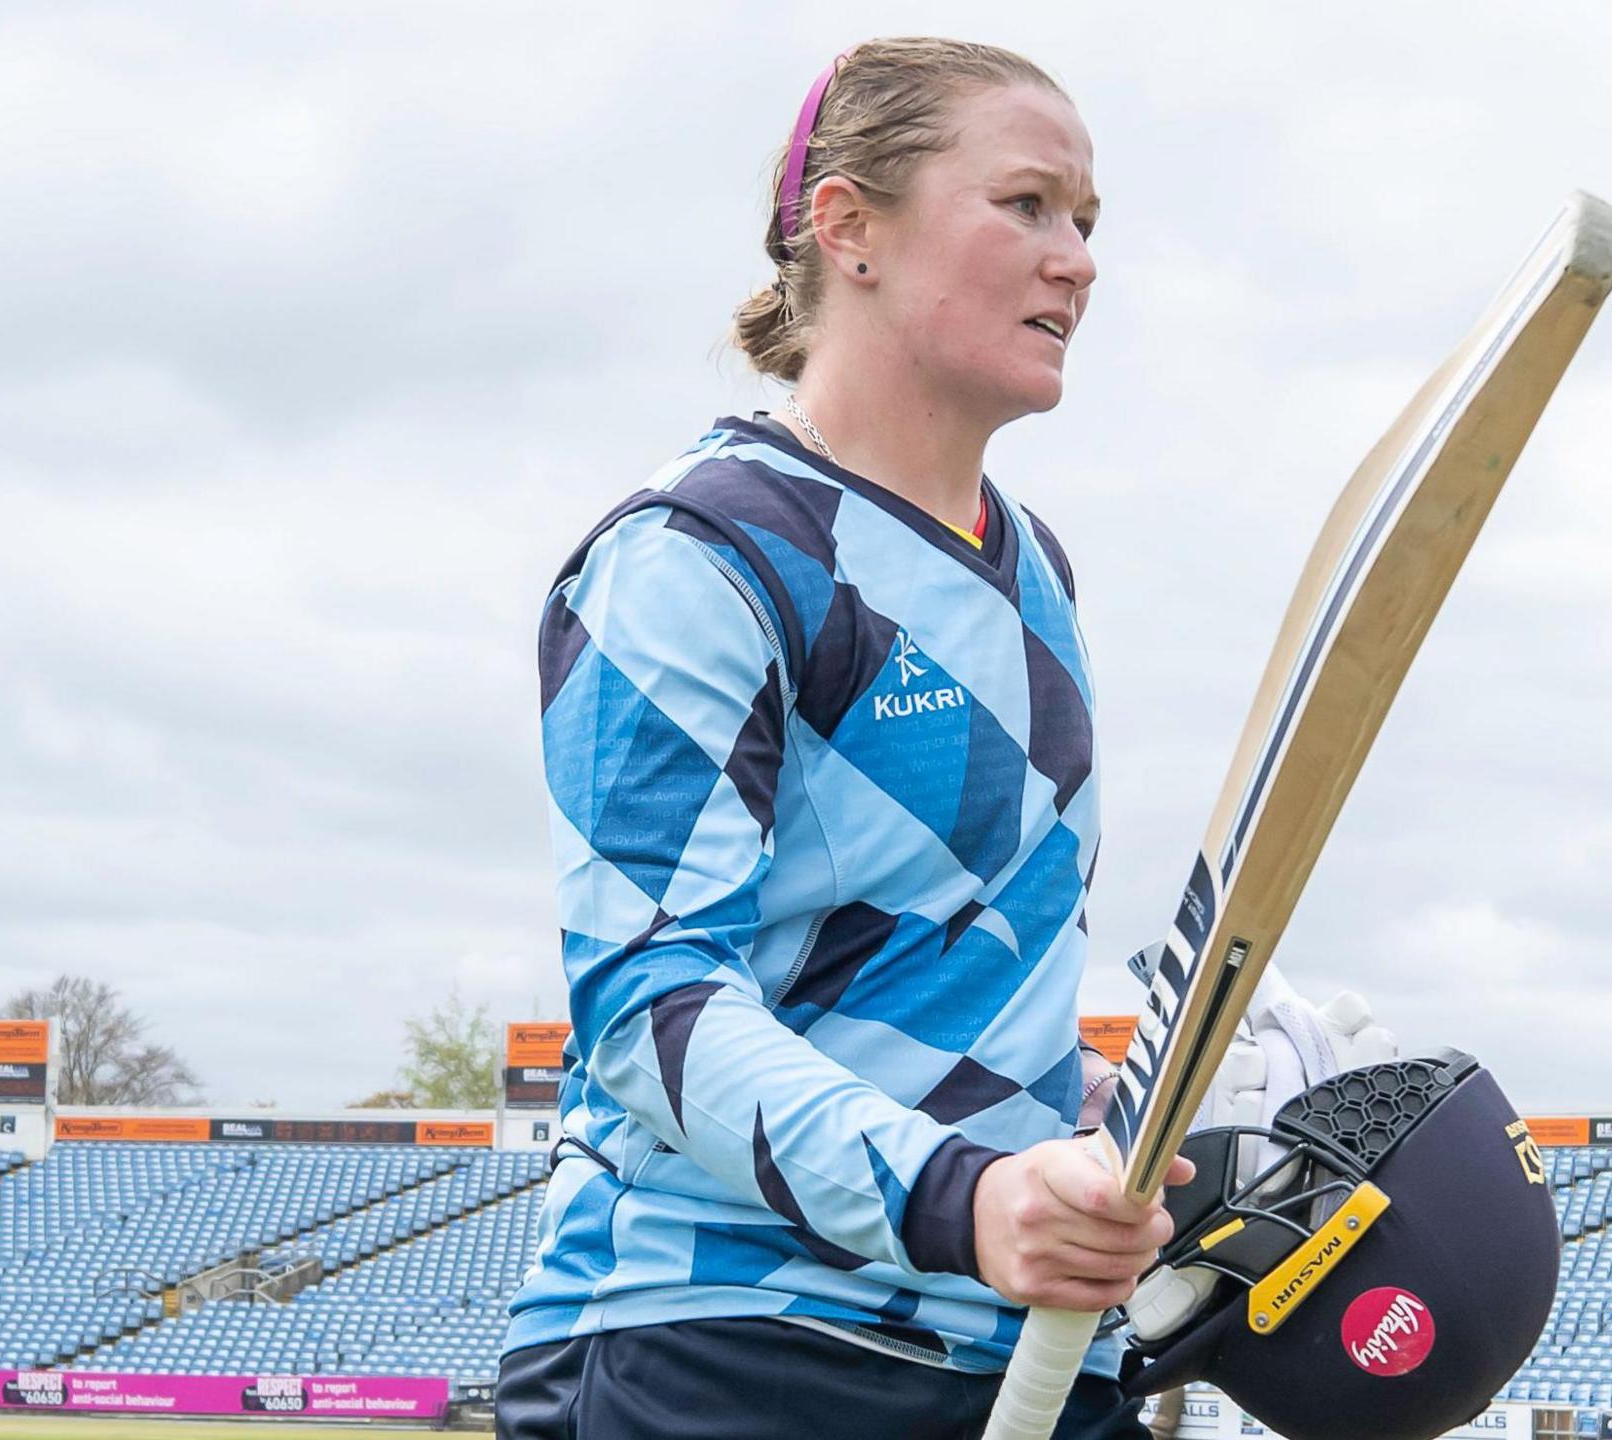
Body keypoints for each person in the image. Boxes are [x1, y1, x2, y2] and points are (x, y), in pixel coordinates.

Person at [498, 37, 1191, 1440]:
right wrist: (965, 1198)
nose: (1080, 260)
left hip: (1022, 1355)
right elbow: (649, 1001)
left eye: (1089, 222)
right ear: (849, 227)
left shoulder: (1039, 567)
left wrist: (1136, 1108)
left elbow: (938, 973)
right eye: (1028, 206)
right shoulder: (698, 550)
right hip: (729, 1344)